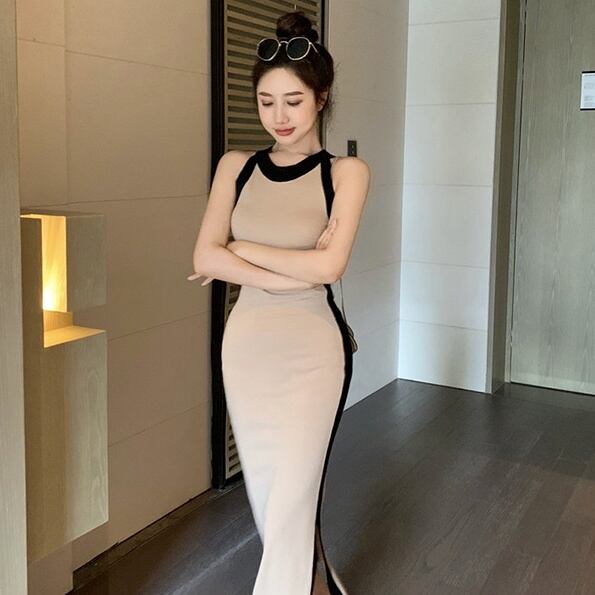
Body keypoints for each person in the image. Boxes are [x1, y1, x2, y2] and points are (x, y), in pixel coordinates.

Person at [188, 10, 370, 595]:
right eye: (267, 102)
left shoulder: (346, 173)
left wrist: (240, 249)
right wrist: (292, 271)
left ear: (322, 97)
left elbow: (330, 268)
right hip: (247, 349)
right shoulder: (236, 167)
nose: (279, 116)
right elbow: (204, 256)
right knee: (272, 503)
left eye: (293, 101)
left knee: (294, 497)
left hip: (314, 351)